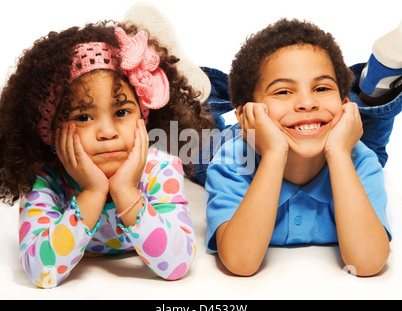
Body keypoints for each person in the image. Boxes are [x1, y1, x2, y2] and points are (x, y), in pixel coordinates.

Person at [0, 20, 213, 288]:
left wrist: (125, 190)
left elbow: (178, 263)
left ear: (143, 116)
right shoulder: (45, 179)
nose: (108, 132)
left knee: (215, 119)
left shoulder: (161, 168)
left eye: (122, 112)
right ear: (51, 131)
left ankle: (203, 80)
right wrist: (92, 192)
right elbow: (41, 272)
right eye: (84, 116)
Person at [205, 18, 400, 277]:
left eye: (321, 88)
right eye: (283, 92)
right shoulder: (232, 161)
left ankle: (376, 82)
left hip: (322, 133)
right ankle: (198, 91)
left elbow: (368, 263)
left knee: (373, 146)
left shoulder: (359, 159)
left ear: (344, 105)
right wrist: (274, 153)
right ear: (245, 115)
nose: (307, 102)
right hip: (252, 139)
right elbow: (240, 262)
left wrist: (340, 153)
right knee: (196, 146)